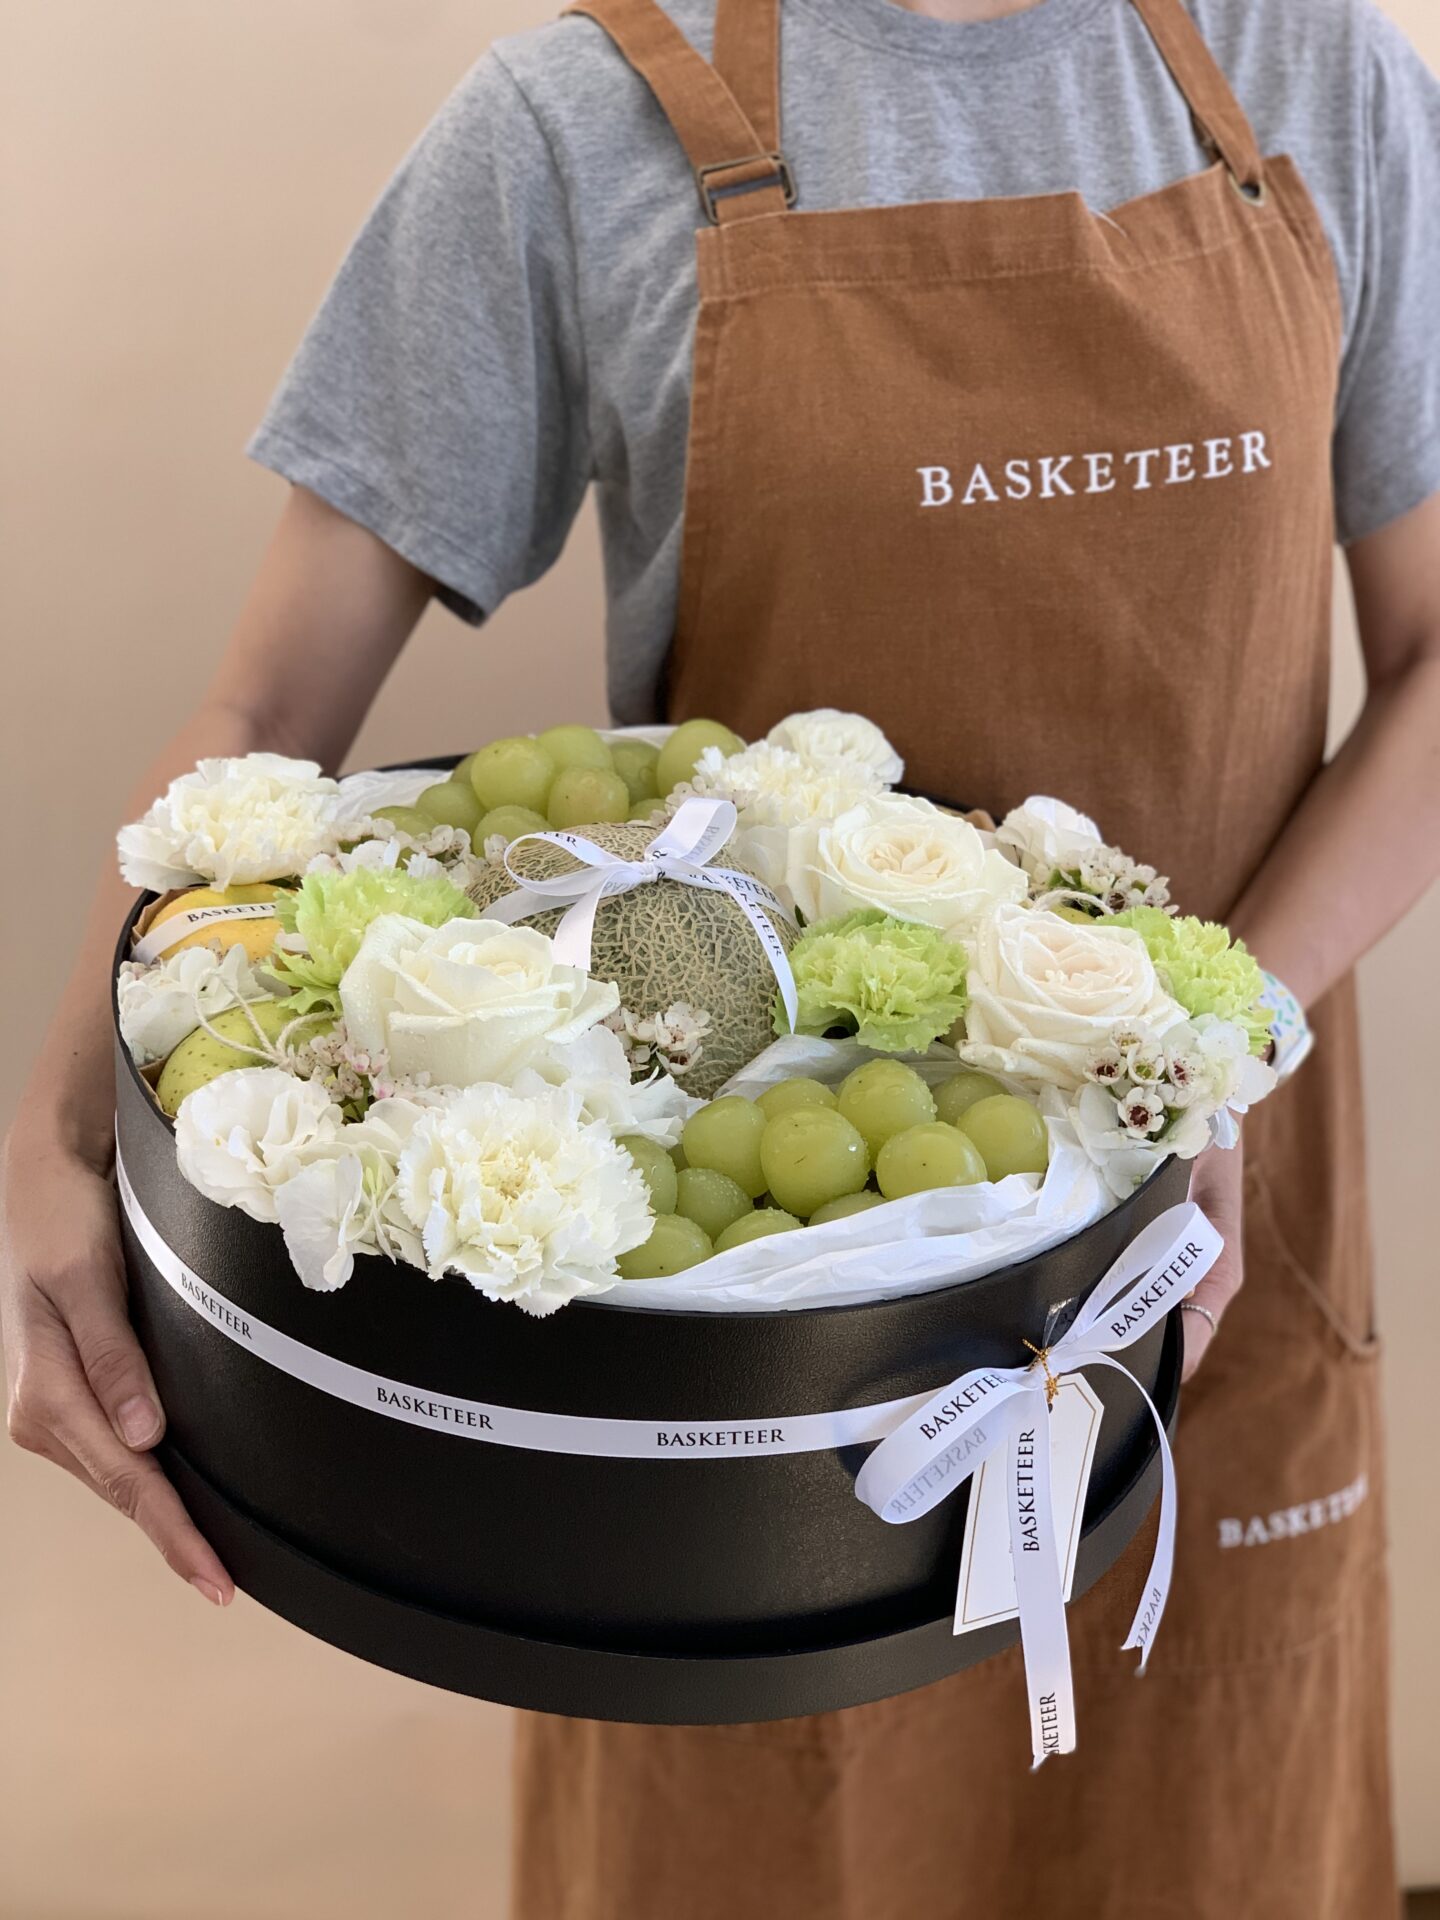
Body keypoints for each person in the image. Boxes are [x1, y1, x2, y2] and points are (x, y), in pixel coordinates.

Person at [4, 0, 1439, 1912]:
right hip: (733, 1369)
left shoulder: (1315, 78)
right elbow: (265, 717)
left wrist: (1200, 1052)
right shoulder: (573, 121)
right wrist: (58, 1134)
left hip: (1194, 1281)